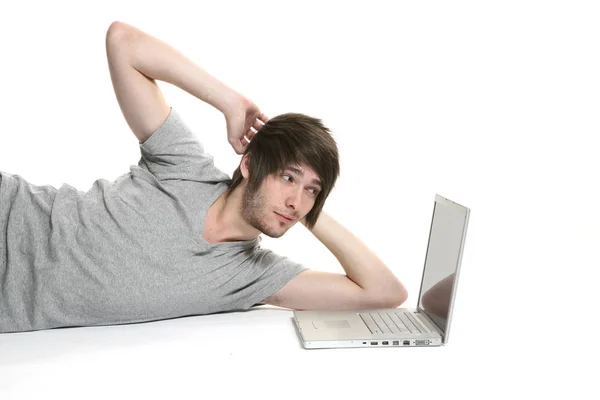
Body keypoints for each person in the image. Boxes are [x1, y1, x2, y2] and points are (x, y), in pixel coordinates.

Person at [0, 21, 407, 334]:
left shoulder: (253, 276)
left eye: (311, 191)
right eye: (288, 178)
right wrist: (229, 100)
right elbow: (123, 41)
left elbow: (384, 293)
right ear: (250, 164)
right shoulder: (185, 167)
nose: (296, 200)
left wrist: (311, 210)